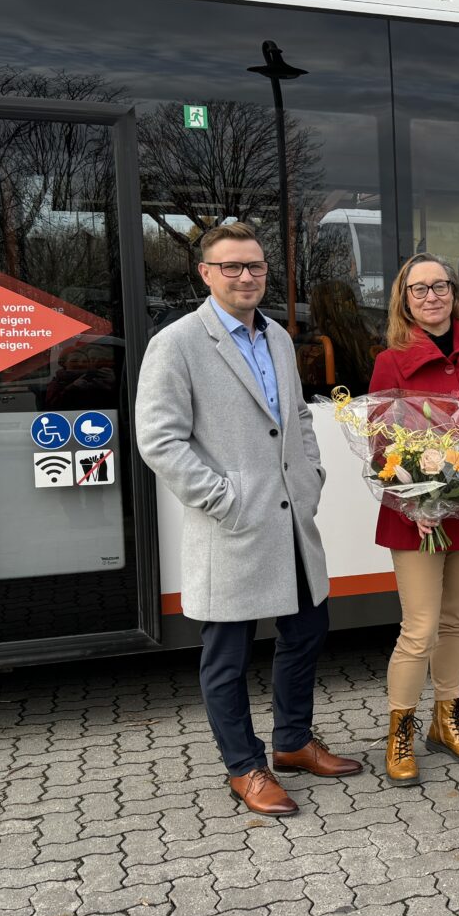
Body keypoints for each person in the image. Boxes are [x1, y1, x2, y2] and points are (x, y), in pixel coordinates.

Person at [135, 221, 360, 817]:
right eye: (231, 267)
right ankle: (245, 766)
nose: (245, 276)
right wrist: (221, 499)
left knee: (307, 631)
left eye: (255, 266)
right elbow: (159, 440)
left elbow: (300, 420)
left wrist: (310, 477)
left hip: (290, 520)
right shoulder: (177, 343)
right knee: (227, 655)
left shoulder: (280, 339)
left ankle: (291, 743)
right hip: (231, 524)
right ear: (205, 273)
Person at [367, 253, 459, 786]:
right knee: (420, 628)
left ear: (455, 293)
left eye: (440, 286)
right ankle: (400, 730)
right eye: (418, 289)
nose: (431, 296)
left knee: (456, 621)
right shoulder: (391, 362)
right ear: (404, 300)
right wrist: (417, 502)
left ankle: (445, 721)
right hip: (417, 520)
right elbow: (382, 444)